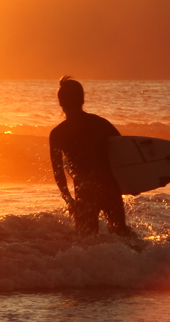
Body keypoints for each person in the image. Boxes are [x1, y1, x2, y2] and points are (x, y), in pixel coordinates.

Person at [49, 76, 129, 236]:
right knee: (121, 234)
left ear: (60, 103)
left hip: (85, 192)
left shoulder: (57, 134)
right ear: (83, 99)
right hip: (109, 188)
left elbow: (58, 172)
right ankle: (143, 258)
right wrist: (132, 184)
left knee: (87, 241)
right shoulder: (101, 124)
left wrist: (69, 200)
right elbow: (124, 152)